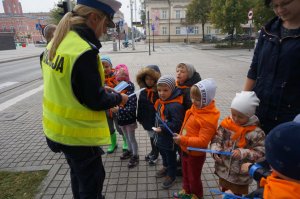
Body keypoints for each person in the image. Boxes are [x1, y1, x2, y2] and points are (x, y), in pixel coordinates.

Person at [40, 0, 128, 198]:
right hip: (77, 135)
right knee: (91, 184)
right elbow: (95, 101)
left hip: (57, 131)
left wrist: (94, 87)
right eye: (105, 24)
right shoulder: (83, 50)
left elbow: (64, 82)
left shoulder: (59, 40)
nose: (105, 31)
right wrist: (117, 98)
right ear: (94, 18)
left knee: (78, 178)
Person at [243, 0, 300, 134]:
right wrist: (243, 102)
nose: (280, 9)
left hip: (290, 119)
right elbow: (255, 68)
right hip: (259, 113)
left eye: (285, 3)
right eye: (275, 6)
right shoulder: (267, 30)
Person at [173, 78, 220, 199]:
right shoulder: (195, 108)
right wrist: (180, 136)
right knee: (186, 174)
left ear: (206, 99)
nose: (193, 101)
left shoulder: (208, 118)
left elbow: (203, 141)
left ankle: (196, 195)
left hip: (195, 154)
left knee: (194, 177)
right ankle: (186, 190)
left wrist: (183, 139)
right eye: (192, 97)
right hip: (185, 149)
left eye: (197, 99)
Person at [210, 91, 265, 196]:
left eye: (240, 116)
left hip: (240, 176)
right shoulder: (227, 124)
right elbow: (217, 138)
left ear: (249, 115)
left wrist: (243, 152)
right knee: (224, 192)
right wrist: (215, 149)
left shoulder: (256, 132)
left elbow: (261, 152)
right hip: (224, 170)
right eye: (233, 114)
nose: (235, 118)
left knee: (236, 195)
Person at [245, 115, 300, 198]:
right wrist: (252, 168)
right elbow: (274, 178)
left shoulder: (265, 195)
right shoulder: (289, 178)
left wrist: (228, 197)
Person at [153, 75, 185, 189]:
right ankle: (166, 167)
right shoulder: (161, 101)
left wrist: (162, 128)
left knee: (171, 157)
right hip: (161, 137)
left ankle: (171, 175)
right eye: (159, 90)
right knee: (163, 154)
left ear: (172, 89)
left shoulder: (175, 105)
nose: (162, 93)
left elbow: (177, 124)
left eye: (165, 90)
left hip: (169, 139)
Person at [112, 64, 139, 168]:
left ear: (126, 81)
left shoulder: (130, 92)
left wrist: (119, 110)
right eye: (117, 81)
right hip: (121, 120)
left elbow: (132, 108)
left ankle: (135, 155)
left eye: (120, 81)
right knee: (126, 137)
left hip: (129, 120)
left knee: (131, 138)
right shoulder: (118, 91)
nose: (118, 83)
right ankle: (129, 150)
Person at [101, 55, 127, 153]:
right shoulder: (99, 79)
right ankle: (113, 143)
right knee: (109, 128)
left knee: (119, 127)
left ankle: (125, 142)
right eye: (102, 67)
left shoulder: (117, 77)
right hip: (105, 108)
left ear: (111, 66)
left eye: (107, 66)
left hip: (116, 107)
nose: (105, 69)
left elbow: (123, 90)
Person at [136, 65, 161, 166]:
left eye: (152, 79)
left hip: (156, 121)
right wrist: (139, 117)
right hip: (147, 120)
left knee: (156, 138)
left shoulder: (158, 92)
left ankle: (156, 154)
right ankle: (153, 151)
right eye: (147, 79)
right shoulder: (143, 91)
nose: (149, 81)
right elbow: (140, 105)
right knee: (151, 137)